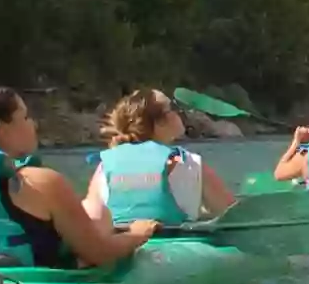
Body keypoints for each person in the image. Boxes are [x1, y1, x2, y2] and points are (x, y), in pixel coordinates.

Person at [0, 84, 154, 272]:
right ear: (3, 129)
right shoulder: (42, 183)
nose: (34, 124)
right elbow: (99, 253)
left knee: (92, 211)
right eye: (26, 117)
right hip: (32, 282)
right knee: (97, 212)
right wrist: (137, 234)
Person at [90, 88, 238, 225]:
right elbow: (235, 217)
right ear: (159, 123)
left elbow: (92, 216)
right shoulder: (188, 163)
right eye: (173, 107)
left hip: (123, 247)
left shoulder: (104, 167)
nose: (179, 112)